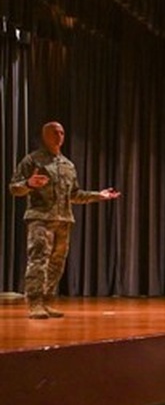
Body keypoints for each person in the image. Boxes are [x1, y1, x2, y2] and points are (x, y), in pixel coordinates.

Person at [8, 121, 120, 319]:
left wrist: (99, 195)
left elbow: (75, 194)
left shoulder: (68, 165)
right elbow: (14, 188)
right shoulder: (33, 160)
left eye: (62, 132)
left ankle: (47, 301)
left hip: (63, 221)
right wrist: (28, 184)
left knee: (56, 264)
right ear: (45, 135)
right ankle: (34, 303)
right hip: (41, 219)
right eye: (54, 132)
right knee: (38, 261)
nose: (59, 136)